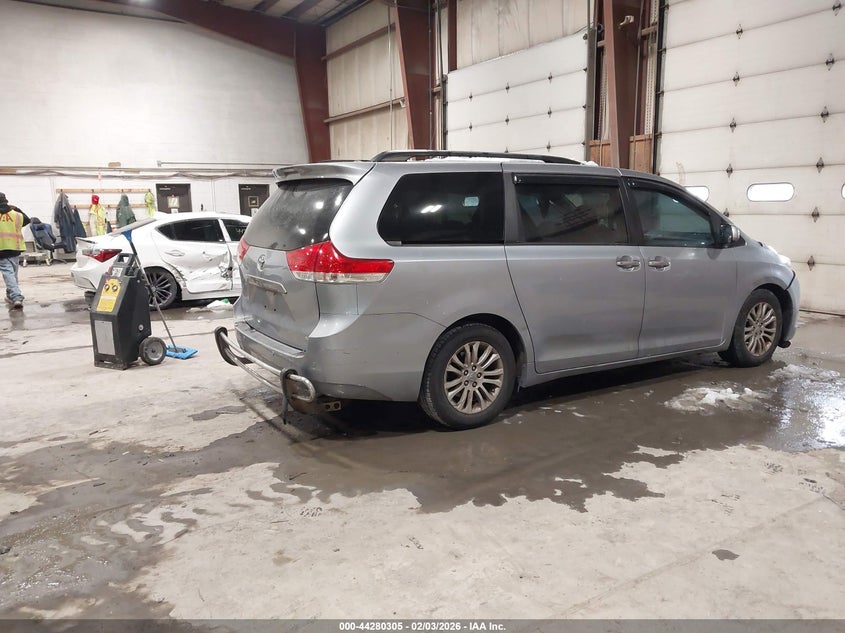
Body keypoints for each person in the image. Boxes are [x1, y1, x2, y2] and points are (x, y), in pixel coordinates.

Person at [0, 192, 30, 310]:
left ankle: (16, 297)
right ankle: (10, 296)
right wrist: (16, 208)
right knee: (12, 274)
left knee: (9, 274)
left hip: (1, 249)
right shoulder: (16, 214)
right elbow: (27, 220)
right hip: (15, 248)